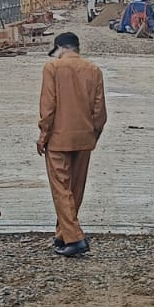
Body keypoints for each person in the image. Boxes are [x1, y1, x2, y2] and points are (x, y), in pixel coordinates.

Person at [37, 31, 107, 257]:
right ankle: (62, 236)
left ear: (59, 47)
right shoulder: (94, 70)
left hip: (58, 139)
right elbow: (100, 111)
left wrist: (43, 135)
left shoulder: (53, 68)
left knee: (61, 190)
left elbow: (49, 106)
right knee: (75, 190)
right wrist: (94, 134)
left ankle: (75, 238)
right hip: (84, 138)